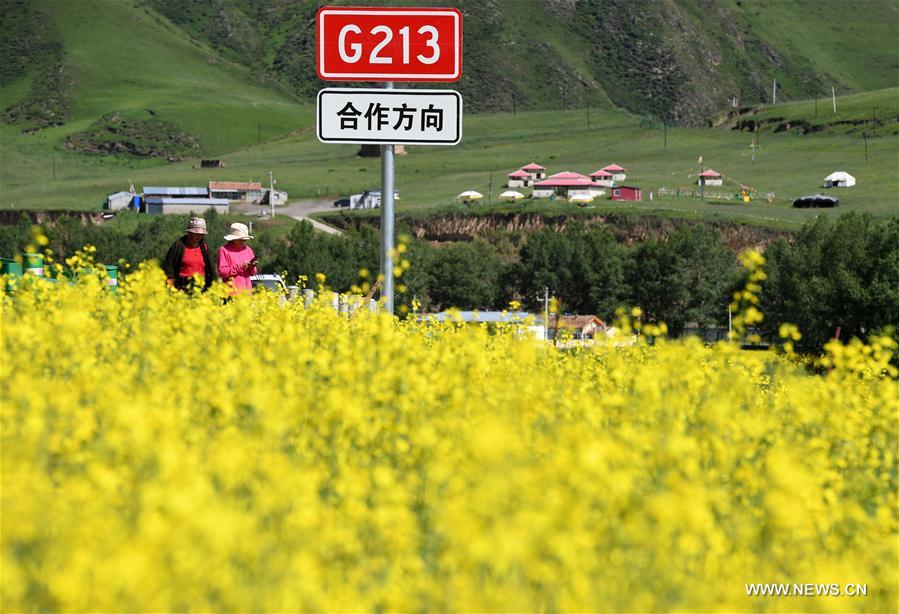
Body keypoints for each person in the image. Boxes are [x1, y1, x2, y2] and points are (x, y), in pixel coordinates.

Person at [162, 217, 216, 292]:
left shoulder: (204, 247)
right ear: (189, 233)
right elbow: (168, 266)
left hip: (201, 288)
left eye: (201, 234)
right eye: (196, 234)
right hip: (181, 287)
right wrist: (170, 285)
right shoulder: (178, 245)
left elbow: (211, 268)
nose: (198, 236)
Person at [217, 222, 257, 293]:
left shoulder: (248, 250)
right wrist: (240, 266)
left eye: (244, 239)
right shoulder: (224, 250)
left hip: (246, 294)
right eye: (240, 239)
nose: (243, 241)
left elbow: (253, 273)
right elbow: (222, 272)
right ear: (233, 238)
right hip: (231, 293)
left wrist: (251, 267)